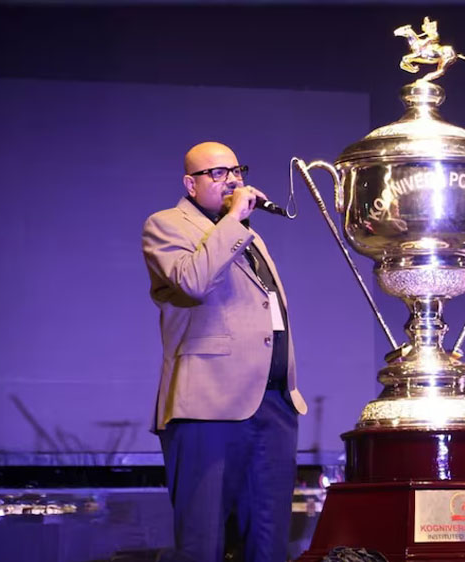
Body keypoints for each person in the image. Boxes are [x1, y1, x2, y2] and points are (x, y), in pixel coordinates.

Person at [142, 141, 307, 562]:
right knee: (203, 540)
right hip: (208, 404)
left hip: (272, 402)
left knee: (268, 541)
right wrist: (233, 220)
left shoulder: (247, 236)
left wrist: (236, 224)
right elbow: (193, 282)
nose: (232, 180)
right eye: (217, 173)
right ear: (190, 184)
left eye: (236, 171)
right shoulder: (166, 225)